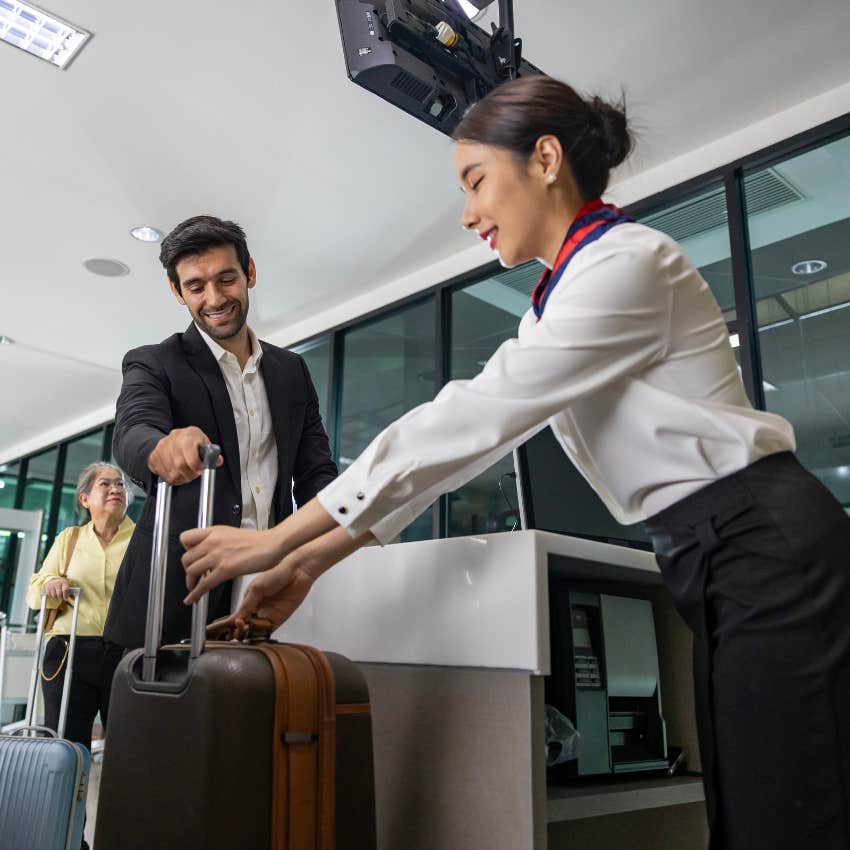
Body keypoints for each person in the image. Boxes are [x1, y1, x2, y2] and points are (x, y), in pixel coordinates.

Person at [178, 77, 850, 850]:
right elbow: (478, 442)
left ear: (545, 158)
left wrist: (276, 539)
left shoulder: (627, 263)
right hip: (713, 558)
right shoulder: (553, 301)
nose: (468, 213)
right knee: (745, 811)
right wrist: (313, 562)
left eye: (475, 181)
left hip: (766, 544)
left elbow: (469, 417)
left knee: (795, 814)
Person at [103, 215, 337, 651]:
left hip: (268, 589)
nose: (214, 298)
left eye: (226, 279)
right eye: (195, 287)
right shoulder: (154, 362)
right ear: (177, 291)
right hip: (170, 597)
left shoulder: (291, 371)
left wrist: (333, 537)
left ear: (249, 272)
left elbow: (315, 470)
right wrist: (160, 449)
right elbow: (133, 430)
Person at [28, 463, 133, 850]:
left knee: (129, 750)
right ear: (85, 498)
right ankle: (70, 841)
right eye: (105, 484)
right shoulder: (70, 539)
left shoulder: (140, 540)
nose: (115, 489)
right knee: (68, 752)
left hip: (123, 653)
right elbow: (34, 588)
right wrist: (50, 583)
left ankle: (121, 837)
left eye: (120, 483)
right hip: (68, 652)